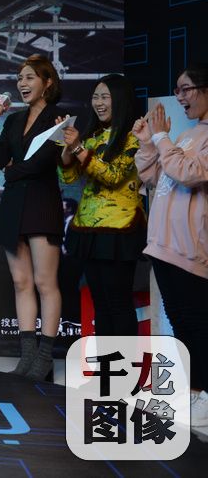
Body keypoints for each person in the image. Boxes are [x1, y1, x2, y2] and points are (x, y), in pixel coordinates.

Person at [134, 63, 208, 442]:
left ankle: (202, 396)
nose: (179, 97)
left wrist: (163, 138)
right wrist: (149, 142)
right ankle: (192, 394)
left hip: (190, 248)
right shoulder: (189, 134)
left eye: (186, 89)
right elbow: (152, 176)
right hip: (163, 245)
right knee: (182, 326)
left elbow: (189, 173)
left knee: (197, 326)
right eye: (177, 90)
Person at [0, 54, 64, 380]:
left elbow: (41, 163)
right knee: (21, 282)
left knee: (45, 282)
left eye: (30, 78)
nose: (22, 84)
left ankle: (45, 357)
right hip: (14, 204)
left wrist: (13, 172)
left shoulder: (59, 119)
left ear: (47, 82)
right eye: (19, 79)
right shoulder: (13, 121)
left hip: (42, 202)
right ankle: (27, 356)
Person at [57, 74, 144, 337]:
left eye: (105, 96)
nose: (99, 103)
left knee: (118, 303)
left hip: (119, 229)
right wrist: (67, 146)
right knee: (101, 304)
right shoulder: (92, 136)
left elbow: (113, 176)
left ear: (121, 100)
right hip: (88, 229)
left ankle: (126, 366)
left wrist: (78, 148)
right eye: (95, 97)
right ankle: (108, 364)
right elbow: (68, 177)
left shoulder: (134, 136)